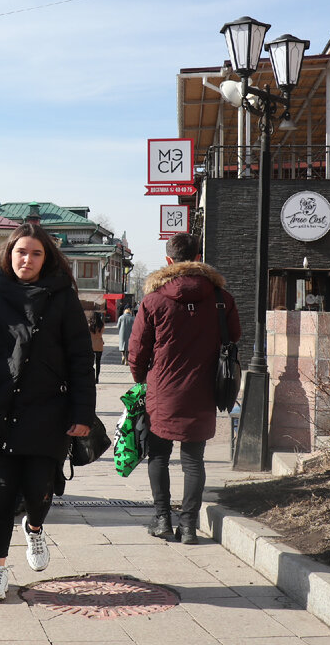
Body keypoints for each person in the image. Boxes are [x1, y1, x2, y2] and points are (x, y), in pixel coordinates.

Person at [0, 222, 96, 602]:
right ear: (9, 255)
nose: (27, 259)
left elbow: (80, 357)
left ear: (47, 258)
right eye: (21, 252)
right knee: (2, 490)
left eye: (36, 253)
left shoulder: (62, 297)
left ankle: (36, 528)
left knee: (41, 489)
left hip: (49, 409)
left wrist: (83, 413)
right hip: (4, 406)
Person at [128, 232, 240, 545]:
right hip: (204, 388)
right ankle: (189, 526)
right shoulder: (221, 298)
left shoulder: (153, 300)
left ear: (168, 260)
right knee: (194, 460)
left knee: (159, 456)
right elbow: (234, 335)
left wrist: (140, 379)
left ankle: (162, 519)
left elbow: (137, 349)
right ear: (198, 256)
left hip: (162, 388)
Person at [88, 311, 105, 382]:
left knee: (90, 363)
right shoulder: (101, 325)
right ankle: (97, 378)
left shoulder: (89, 325)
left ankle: (90, 377)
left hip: (91, 345)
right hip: (99, 345)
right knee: (98, 363)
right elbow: (101, 334)